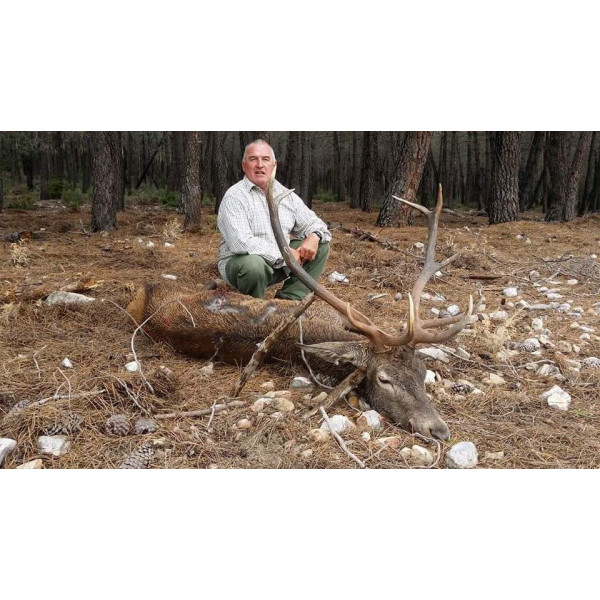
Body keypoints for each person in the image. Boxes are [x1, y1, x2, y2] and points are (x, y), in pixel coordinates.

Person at [217, 139, 331, 301]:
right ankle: (253, 305)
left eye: (265, 159)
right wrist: (284, 254)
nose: (260, 165)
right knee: (254, 265)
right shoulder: (234, 196)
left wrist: (314, 236)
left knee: (321, 245)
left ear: (274, 164)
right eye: (253, 159)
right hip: (242, 267)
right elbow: (240, 243)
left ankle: (289, 301)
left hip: (278, 265)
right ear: (244, 165)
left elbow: (316, 224)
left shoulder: (286, 195)